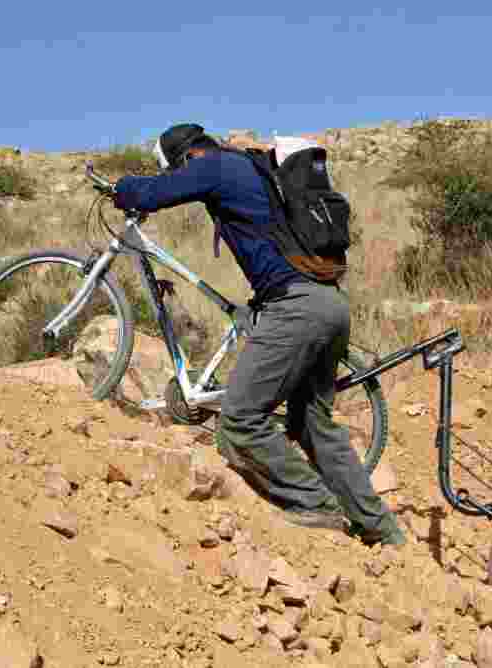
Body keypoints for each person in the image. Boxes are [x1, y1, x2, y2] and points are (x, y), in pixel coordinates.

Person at [112, 123, 406, 546]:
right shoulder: (251, 168)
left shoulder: (215, 166)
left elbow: (152, 194)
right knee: (313, 424)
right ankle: (383, 532)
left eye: (175, 168)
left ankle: (318, 505)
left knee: (239, 421)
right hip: (328, 305)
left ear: (185, 157)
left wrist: (120, 187)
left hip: (297, 310)